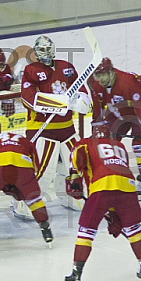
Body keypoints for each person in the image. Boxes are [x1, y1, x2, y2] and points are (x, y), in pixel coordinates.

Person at [63, 124, 141, 281]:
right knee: (134, 229)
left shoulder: (86, 143)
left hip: (102, 186)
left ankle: (76, 274)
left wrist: (74, 179)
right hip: (128, 187)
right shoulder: (119, 146)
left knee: (86, 231)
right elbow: (118, 173)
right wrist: (115, 213)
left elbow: (76, 158)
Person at [19, 35, 90, 211]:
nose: (46, 53)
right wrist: (61, 103)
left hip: (67, 129)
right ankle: (24, 205)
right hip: (43, 130)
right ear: (36, 51)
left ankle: (70, 197)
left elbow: (80, 89)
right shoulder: (31, 70)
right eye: (42, 49)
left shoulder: (66, 67)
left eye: (48, 48)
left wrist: (83, 100)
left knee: (75, 167)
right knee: (43, 172)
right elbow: (28, 99)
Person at [0, 119, 53, 246]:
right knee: (34, 200)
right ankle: (45, 228)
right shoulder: (22, 139)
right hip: (22, 165)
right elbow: (35, 165)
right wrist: (26, 183)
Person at [89, 57, 141, 199]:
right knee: (105, 141)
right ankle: (111, 175)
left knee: (139, 146)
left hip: (138, 112)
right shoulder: (96, 85)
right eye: (97, 75)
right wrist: (97, 128)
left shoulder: (128, 82)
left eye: (102, 74)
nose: (99, 79)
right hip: (118, 112)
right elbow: (98, 109)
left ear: (111, 72)